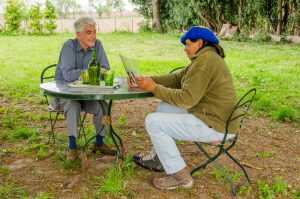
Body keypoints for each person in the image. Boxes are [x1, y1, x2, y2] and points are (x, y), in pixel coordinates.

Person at [130, 26, 239, 190]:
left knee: (153, 121)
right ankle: (159, 158)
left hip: (216, 125)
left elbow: (187, 100)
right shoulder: (205, 58)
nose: (185, 49)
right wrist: (145, 81)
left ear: (200, 43)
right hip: (212, 116)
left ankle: (180, 177)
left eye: (188, 44)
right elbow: (176, 79)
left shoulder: (206, 61)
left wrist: (153, 88)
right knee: (164, 108)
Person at [55, 17, 115, 160]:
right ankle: (72, 147)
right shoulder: (68, 46)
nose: (93, 36)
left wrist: (90, 73)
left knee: (103, 106)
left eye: (94, 32)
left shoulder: (97, 45)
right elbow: (68, 76)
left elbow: (106, 69)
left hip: (87, 94)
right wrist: (92, 72)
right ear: (78, 34)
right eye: (89, 32)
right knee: (72, 105)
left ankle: (99, 143)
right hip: (65, 95)